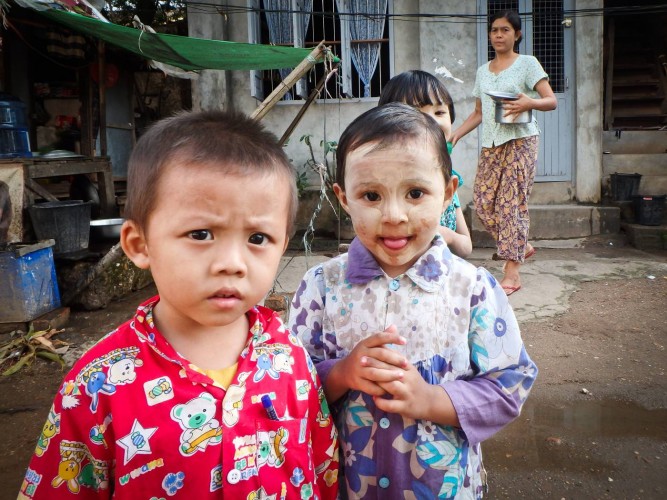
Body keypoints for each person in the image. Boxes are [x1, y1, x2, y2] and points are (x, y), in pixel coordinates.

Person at [20, 110, 339, 499]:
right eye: (201, 233)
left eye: (258, 238)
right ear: (140, 245)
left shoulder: (290, 357)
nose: (233, 264)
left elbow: (322, 466)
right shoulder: (97, 384)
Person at [288, 103, 537, 499]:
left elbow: (510, 386)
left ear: (448, 193)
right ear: (343, 198)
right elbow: (287, 385)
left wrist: (432, 399)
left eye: (416, 193)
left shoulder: (472, 289)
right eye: (371, 195)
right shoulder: (320, 287)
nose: (393, 215)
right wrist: (340, 375)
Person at [450, 10, 557, 296]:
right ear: (489, 35)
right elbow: (478, 112)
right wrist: (457, 133)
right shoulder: (483, 72)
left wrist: (528, 103)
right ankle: (520, 244)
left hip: (521, 141)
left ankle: (512, 272)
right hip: (491, 144)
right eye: (495, 30)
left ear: (517, 34)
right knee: (483, 204)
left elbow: (551, 100)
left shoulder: (527, 64)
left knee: (511, 204)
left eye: (505, 30)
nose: (499, 35)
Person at [378, 69, 473, 258]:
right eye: (414, 112)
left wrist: (449, 236)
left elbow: (467, 246)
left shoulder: (446, 179)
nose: (431, 120)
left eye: (439, 112)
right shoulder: (380, 181)